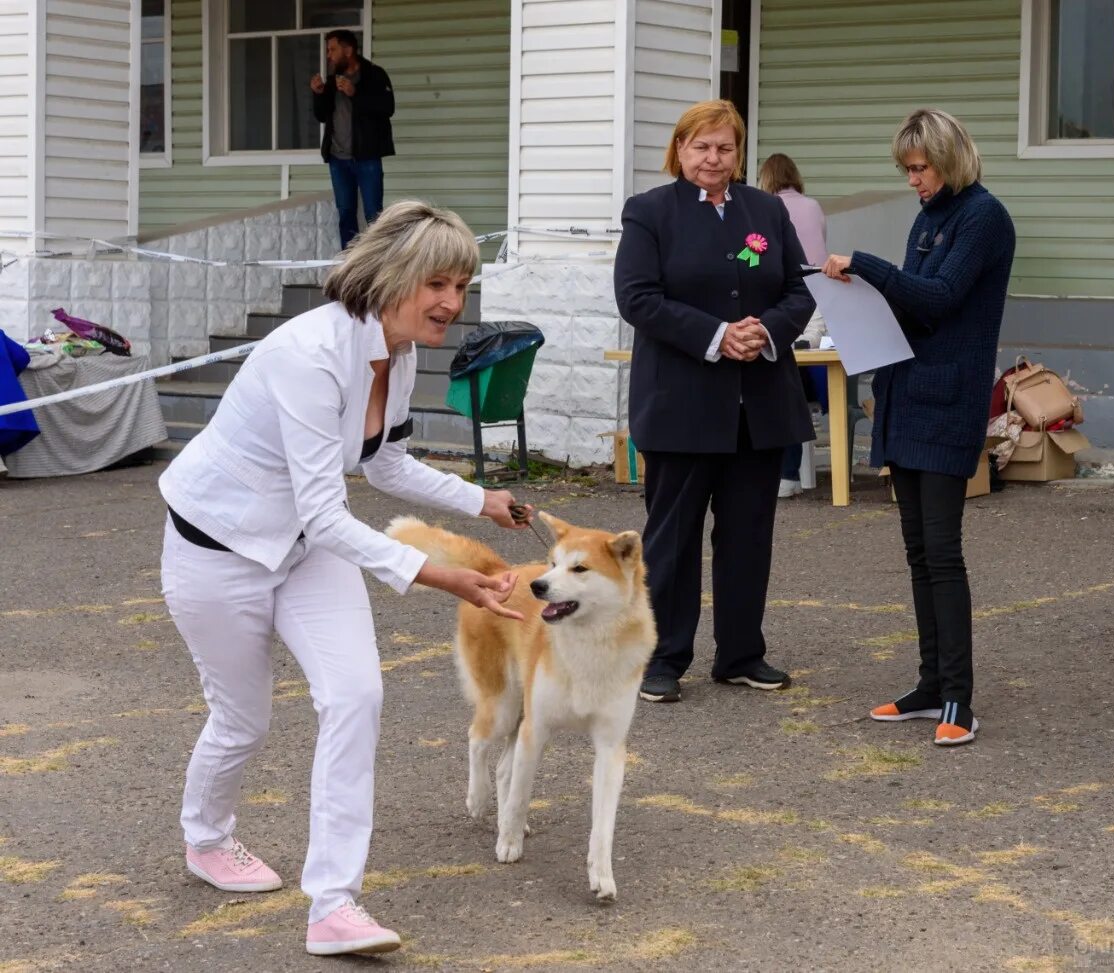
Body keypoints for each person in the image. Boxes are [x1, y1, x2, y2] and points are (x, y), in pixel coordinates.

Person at [159, 201, 530, 956]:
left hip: (303, 548)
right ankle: (206, 838)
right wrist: (444, 575)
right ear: (392, 274)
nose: (452, 304)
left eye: (462, 285)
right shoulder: (310, 351)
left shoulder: (401, 350)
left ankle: (334, 903)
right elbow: (328, 512)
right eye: (437, 283)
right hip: (215, 548)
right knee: (243, 719)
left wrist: (479, 499)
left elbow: (383, 461)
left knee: (358, 693)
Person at [822, 108, 1015, 747]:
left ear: (949, 158)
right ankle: (930, 685)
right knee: (917, 552)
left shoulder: (983, 217)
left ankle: (959, 696)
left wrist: (867, 267)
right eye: (907, 170)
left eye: (919, 168)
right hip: (907, 395)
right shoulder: (930, 217)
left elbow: (938, 299)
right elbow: (911, 302)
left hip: (948, 401)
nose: (912, 181)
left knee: (943, 551)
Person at [614, 99, 816, 704]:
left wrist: (766, 330)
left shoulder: (767, 210)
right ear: (679, 150)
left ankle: (741, 654)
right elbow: (638, 298)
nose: (713, 158)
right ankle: (661, 658)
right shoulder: (650, 212)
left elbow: (796, 288)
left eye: (725, 147)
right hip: (682, 407)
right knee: (671, 541)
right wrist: (716, 336)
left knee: (748, 535)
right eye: (701, 146)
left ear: (739, 153)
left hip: (758, 406)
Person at [757, 153, 828, 499]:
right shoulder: (813, 206)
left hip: (780, 299)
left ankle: (784, 473)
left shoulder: (763, 209)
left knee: (781, 387)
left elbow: (754, 256)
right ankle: (793, 472)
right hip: (818, 296)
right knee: (800, 386)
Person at [311, 30, 395, 250]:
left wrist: (355, 93)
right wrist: (318, 94)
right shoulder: (332, 81)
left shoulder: (375, 75)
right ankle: (350, 267)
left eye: (332, 49)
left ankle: (377, 264)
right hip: (338, 159)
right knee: (346, 213)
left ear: (348, 50)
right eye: (328, 50)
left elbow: (387, 107)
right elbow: (321, 115)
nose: (328, 55)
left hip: (367, 157)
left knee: (373, 215)